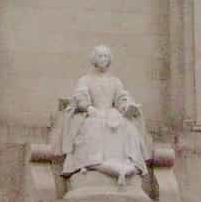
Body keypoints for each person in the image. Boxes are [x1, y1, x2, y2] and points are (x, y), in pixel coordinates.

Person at [56, 45, 151, 187]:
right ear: (94, 59)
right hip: (93, 113)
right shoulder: (85, 80)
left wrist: (126, 106)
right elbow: (80, 97)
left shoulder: (115, 81)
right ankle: (95, 162)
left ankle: (129, 162)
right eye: (100, 56)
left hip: (111, 113)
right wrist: (88, 108)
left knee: (128, 127)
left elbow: (121, 98)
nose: (103, 59)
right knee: (94, 125)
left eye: (106, 56)